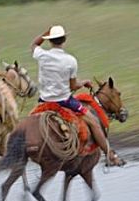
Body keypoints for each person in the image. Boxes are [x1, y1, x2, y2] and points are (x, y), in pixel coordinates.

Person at [31, 25, 124, 166]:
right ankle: (109, 155)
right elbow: (73, 86)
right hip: (64, 102)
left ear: (50, 41)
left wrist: (45, 33)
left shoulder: (42, 55)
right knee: (94, 121)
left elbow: (34, 44)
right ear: (64, 40)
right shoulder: (70, 60)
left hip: (43, 101)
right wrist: (84, 82)